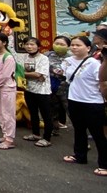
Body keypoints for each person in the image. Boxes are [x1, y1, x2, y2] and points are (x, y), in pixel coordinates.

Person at [61, 36, 107, 176]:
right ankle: (80, 156)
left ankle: (104, 164)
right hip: (74, 100)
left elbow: (101, 81)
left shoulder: (94, 63)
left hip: (93, 102)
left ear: (88, 48)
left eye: (78, 45)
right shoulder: (67, 61)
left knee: (97, 134)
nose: (74, 47)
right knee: (79, 130)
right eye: (72, 45)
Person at [21, 37, 53, 147]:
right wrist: (32, 74)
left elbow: (38, 75)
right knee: (33, 113)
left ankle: (47, 138)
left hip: (43, 91)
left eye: (32, 44)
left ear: (38, 47)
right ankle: (35, 134)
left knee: (46, 115)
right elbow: (20, 71)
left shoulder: (43, 58)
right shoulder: (24, 57)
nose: (29, 47)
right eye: (27, 44)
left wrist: (23, 74)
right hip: (29, 89)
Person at [47, 35, 72, 134]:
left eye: (62, 44)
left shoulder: (71, 57)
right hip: (51, 86)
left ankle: (81, 131)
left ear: (68, 46)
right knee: (52, 107)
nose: (58, 46)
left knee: (69, 108)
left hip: (66, 87)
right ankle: (54, 127)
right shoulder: (47, 55)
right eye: (56, 43)